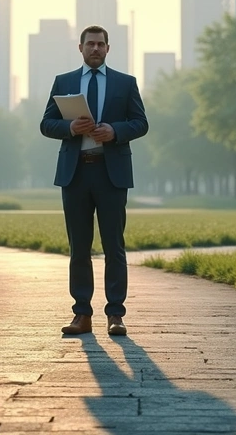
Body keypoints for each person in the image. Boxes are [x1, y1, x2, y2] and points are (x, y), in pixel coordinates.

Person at [39, 25, 149, 336]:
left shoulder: (125, 83)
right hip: (75, 174)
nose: (96, 49)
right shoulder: (64, 82)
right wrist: (70, 128)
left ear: (108, 48)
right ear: (81, 47)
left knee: (114, 246)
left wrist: (115, 131)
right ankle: (81, 314)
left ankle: (115, 314)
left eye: (101, 44)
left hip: (111, 174)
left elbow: (141, 123)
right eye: (90, 44)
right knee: (79, 247)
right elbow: (46, 124)